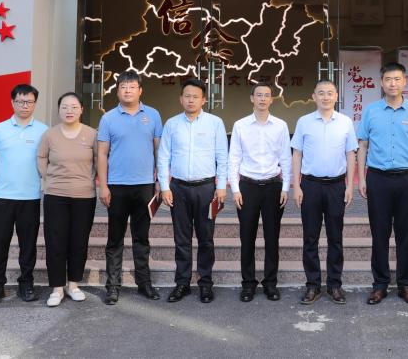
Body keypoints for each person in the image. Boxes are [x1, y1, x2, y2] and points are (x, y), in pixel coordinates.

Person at [357, 62, 408, 306]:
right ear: (381, 82)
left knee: (405, 234)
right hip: (377, 178)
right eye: (388, 79)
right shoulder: (371, 111)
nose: (392, 83)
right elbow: (363, 146)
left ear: (404, 81)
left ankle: (405, 284)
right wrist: (361, 178)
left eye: (397, 79)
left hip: (407, 178)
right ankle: (380, 285)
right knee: (379, 233)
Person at [158, 78, 228, 303]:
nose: (191, 100)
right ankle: (182, 283)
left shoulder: (215, 123)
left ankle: (205, 284)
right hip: (178, 188)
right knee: (182, 239)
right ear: (181, 99)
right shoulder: (172, 124)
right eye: (187, 96)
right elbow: (163, 157)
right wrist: (164, 187)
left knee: (206, 238)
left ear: (203, 100)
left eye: (195, 96)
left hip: (206, 189)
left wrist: (221, 186)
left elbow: (222, 156)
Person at [97, 70, 163, 305]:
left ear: (140, 90)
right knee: (115, 239)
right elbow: (102, 154)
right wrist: (103, 185)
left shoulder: (153, 115)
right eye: (123, 86)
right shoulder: (108, 118)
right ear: (117, 91)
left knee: (141, 238)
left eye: (132, 86)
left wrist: (160, 180)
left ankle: (144, 283)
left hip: (145, 186)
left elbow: (159, 150)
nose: (127, 90)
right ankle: (113, 286)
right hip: (116, 186)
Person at [291, 79, 358, 305]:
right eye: (321, 93)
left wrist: (350, 186)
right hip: (310, 185)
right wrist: (296, 185)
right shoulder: (304, 122)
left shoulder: (345, 122)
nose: (326, 97)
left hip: (336, 186)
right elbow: (297, 154)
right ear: (314, 96)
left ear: (336, 96)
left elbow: (350, 154)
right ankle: (312, 285)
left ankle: (334, 285)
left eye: (330, 93)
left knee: (335, 238)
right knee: (310, 237)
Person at [0, 83, 48, 305]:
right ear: (12, 102)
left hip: (30, 197)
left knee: (28, 244)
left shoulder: (44, 131)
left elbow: (47, 160)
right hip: (3, 197)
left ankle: (26, 284)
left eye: (29, 101)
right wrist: (4, 177)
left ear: (35, 103)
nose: (24, 105)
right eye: (20, 101)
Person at [229, 83, 291, 302]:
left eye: (266, 95)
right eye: (259, 95)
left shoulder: (281, 125)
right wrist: (235, 189)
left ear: (272, 99)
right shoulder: (240, 125)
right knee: (247, 237)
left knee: (272, 237)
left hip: (273, 186)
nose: (263, 99)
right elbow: (234, 159)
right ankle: (248, 284)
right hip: (248, 187)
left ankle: (270, 283)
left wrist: (285, 187)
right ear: (252, 98)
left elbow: (286, 158)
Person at [37, 92, 98, 307]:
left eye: (73, 107)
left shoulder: (92, 134)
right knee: (55, 241)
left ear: (81, 109)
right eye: (64, 107)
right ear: (59, 110)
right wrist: (48, 178)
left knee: (78, 241)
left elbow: (99, 159)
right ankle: (57, 288)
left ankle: (73, 285)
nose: (69, 111)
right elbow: (41, 157)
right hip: (56, 195)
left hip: (84, 196)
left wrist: (93, 179)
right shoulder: (49, 135)